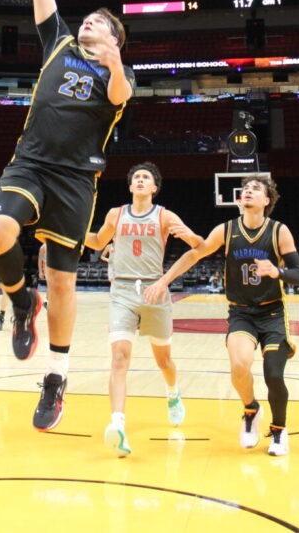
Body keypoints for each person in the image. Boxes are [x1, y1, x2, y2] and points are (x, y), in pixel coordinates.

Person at [0, 0, 135, 431]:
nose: (89, 22)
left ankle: (57, 376)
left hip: (75, 181)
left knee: (66, 285)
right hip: (31, 163)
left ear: (114, 39)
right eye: (88, 18)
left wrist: (115, 64)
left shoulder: (117, 74)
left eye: (100, 22)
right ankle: (22, 302)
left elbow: (121, 98)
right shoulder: (59, 42)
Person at [144, 173, 299, 457]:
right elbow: (195, 254)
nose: (249, 191)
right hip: (241, 313)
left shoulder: (279, 231)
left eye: (256, 188)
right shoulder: (227, 230)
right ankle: (251, 409)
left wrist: (276, 271)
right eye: (246, 189)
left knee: (273, 376)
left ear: (267, 200)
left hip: (272, 314)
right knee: (239, 368)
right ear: (240, 199)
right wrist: (163, 280)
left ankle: (279, 430)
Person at [84, 162, 202, 457]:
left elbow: (199, 246)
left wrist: (188, 237)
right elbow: (98, 242)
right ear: (130, 187)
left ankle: (173, 393)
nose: (139, 180)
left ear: (154, 188)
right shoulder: (116, 214)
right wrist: (71, 233)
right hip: (122, 290)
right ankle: (118, 425)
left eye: (145, 177)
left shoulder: (165, 216)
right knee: (120, 357)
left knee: (164, 361)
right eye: (135, 177)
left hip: (155, 289)